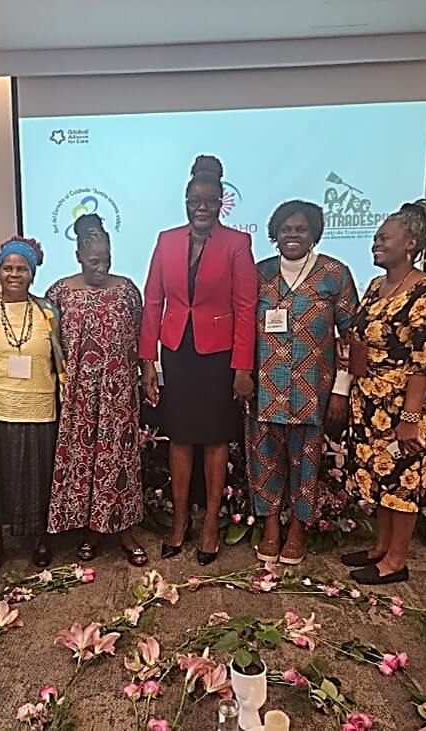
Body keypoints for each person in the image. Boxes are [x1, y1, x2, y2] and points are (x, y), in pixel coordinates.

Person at [139, 155, 258, 565]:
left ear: (221, 201)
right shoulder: (166, 240)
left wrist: (243, 367)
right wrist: (147, 360)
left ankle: (210, 522)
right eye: (195, 199)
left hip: (219, 355)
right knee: (180, 435)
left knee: (214, 439)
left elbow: (245, 307)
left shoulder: (237, 244)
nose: (201, 206)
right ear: (186, 200)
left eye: (210, 199)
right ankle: (179, 521)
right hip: (176, 351)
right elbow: (153, 300)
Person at [342, 199, 426, 585]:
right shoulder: (376, 287)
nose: (376, 242)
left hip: (406, 404)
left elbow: (425, 361)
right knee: (381, 476)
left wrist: (409, 418)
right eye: (375, 237)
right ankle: (380, 547)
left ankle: (396, 561)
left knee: (404, 480)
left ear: (411, 242)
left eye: (384, 237)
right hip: (371, 401)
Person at [246, 200, 359, 565]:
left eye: (300, 229)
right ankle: (270, 528)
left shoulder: (334, 275)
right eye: (285, 228)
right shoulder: (259, 274)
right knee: (264, 461)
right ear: (274, 233)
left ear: (314, 234)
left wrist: (341, 390)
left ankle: (297, 528)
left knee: (307, 463)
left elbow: (351, 339)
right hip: (264, 390)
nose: (292, 235)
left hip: (314, 391)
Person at [46, 214, 147, 566]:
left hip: (117, 395)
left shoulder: (127, 290)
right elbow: (47, 342)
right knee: (84, 460)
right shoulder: (60, 292)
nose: (101, 266)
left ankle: (124, 530)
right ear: (78, 255)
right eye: (93, 260)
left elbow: (141, 339)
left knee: (118, 459)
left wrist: (146, 376)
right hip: (77, 395)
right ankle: (88, 529)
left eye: (106, 258)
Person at [0, 237, 64, 573]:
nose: (14, 274)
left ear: (33, 273)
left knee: (38, 478)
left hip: (39, 408)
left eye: (21, 268)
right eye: (8, 268)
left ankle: (40, 539)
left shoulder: (49, 310)